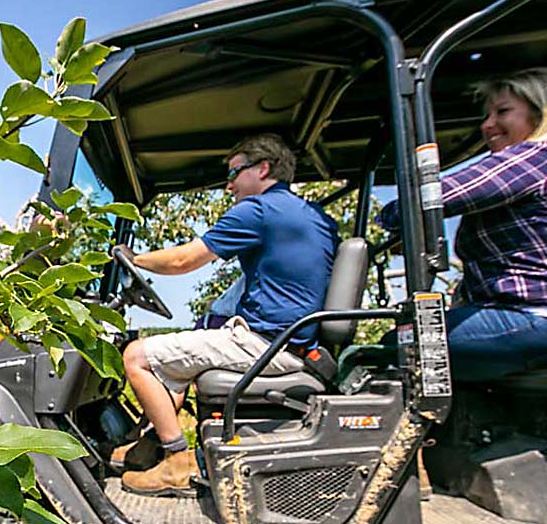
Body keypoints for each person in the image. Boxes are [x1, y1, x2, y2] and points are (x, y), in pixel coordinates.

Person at [116, 134, 340, 497]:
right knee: (178, 359)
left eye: (235, 172)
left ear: (263, 169)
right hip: (294, 343)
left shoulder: (260, 210)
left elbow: (182, 261)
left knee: (136, 357)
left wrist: (133, 258)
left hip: (267, 344)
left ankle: (176, 462)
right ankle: (150, 447)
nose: (230, 184)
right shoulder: (317, 218)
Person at [378, 68, 547, 380]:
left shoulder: (534, 157)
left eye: (503, 111)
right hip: (520, 315)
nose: (488, 124)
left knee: (398, 346)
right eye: (487, 115)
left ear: (539, 114)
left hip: (532, 316)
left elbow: (432, 198)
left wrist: (393, 216)